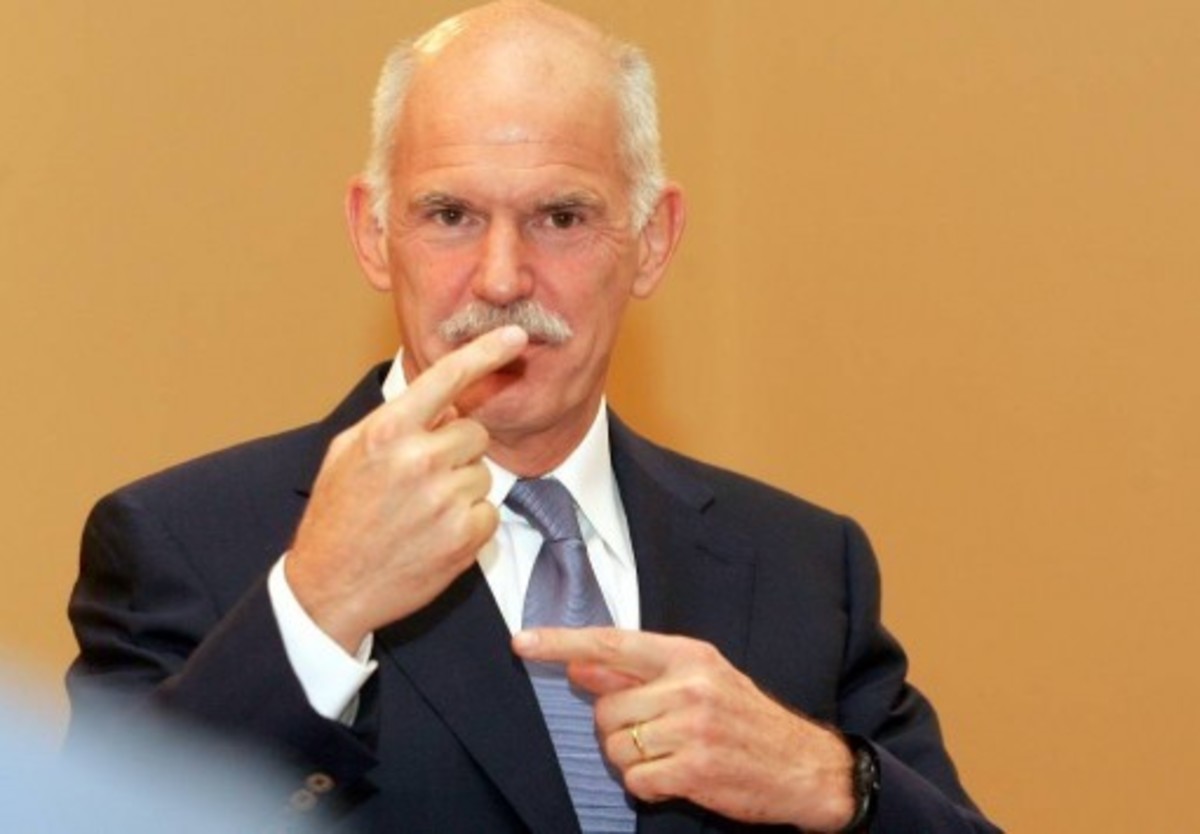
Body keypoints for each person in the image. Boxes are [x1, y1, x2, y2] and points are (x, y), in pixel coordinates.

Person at [67, 2, 1002, 832]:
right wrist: (319, 613)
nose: (503, 279)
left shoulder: (801, 565)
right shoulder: (184, 544)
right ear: (374, 233)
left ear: (652, 240)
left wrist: (829, 781)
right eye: (450, 215)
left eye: (561, 217)